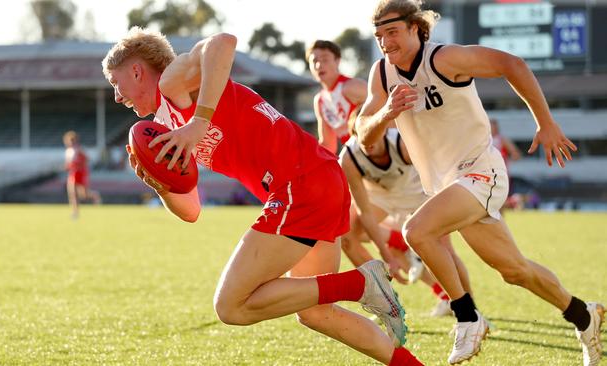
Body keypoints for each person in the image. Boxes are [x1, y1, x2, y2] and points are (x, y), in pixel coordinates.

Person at [102, 27, 423, 365]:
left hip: (298, 184)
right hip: (316, 180)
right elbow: (192, 210)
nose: (117, 96)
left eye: (115, 83)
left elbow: (223, 43)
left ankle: (359, 284)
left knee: (230, 306)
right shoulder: (169, 127)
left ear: (137, 70)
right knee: (316, 312)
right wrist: (161, 185)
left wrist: (199, 121)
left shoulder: (172, 82)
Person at [356, 1, 603, 364]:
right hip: (448, 185)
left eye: (392, 32)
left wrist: (545, 122)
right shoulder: (381, 74)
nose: (385, 42)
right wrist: (385, 112)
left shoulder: (445, 58)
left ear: (415, 27)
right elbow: (363, 134)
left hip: (480, 170)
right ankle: (584, 314)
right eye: (379, 36)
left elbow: (511, 64)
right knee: (514, 271)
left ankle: (468, 316)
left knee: (416, 231)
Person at [339, 126, 473, 317]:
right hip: (381, 197)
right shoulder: (349, 157)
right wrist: (386, 256)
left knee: (445, 251)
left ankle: (471, 311)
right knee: (346, 234)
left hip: (418, 192)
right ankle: (387, 303)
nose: (368, 143)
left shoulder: (402, 143)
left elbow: (436, 167)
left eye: (373, 136)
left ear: (384, 131)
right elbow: (366, 213)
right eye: (362, 137)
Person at [307, 40, 367, 154]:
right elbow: (328, 145)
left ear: (338, 61)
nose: (319, 65)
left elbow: (387, 112)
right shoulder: (319, 101)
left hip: (381, 149)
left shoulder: (352, 86)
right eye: (314, 61)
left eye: (325, 59)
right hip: (356, 155)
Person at [62, 131, 101, 219]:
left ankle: (94, 195)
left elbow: (86, 159)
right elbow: (68, 164)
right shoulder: (68, 151)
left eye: (72, 140)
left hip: (80, 172)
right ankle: (75, 212)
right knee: (72, 193)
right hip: (72, 173)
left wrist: (79, 165)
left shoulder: (79, 149)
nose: (71, 142)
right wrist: (66, 167)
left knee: (84, 195)